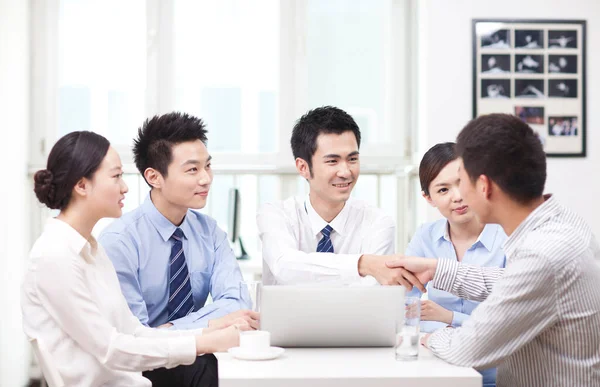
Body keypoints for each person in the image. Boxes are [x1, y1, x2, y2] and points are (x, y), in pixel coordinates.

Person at [22, 131, 249, 387]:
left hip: (134, 381)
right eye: (116, 176)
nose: (125, 187)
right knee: (206, 369)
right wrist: (201, 343)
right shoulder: (55, 257)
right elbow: (111, 348)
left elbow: (134, 332)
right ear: (82, 185)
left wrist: (208, 334)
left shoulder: (91, 250)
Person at [387, 114, 600, 386]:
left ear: (484, 186)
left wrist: (429, 337)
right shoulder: (560, 224)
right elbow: (510, 282)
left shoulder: (542, 255)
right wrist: (438, 269)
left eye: (462, 181)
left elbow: (465, 348)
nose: (457, 195)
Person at [99, 113, 258, 331]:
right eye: (192, 169)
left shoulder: (210, 232)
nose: (206, 179)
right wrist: (210, 325)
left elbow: (237, 302)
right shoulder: (119, 241)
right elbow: (132, 334)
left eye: (207, 166)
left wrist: (171, 330)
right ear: (154, 177)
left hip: (202, 350)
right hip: (144, 362)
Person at [257, 106, 423, 289]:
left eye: (352, 159)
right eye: (332, 161)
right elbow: (285, 267)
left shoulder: (378, 223)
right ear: (303, 167)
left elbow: (370, 295)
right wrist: (363, 264)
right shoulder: (276, 215)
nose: (345, 172)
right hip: (286, 318)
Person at [405, 142, 506, 387]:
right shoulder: (425, 236)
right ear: (428, 198)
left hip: (499, 377)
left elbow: (508, 322)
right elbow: (407, 307)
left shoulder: (507, 235)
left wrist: (449, 317)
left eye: (462, 183)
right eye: (443, 190)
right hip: (439, 372)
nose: (457, 196)